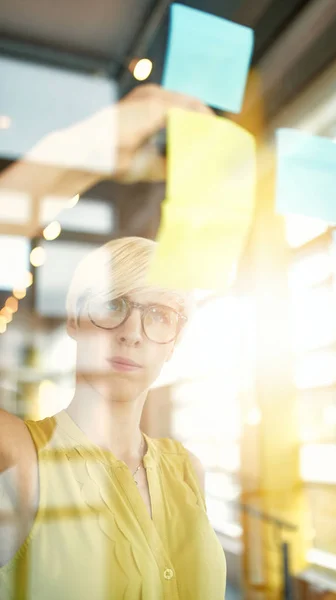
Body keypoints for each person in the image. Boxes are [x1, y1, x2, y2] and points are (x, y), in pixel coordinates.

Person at [0, 88, 227, 599]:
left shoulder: (187, 470)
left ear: (176, 340)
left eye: (160, 314)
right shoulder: (19, 455)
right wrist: (87, 145)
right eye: (111, 304)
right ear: (76, 319)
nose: (132, 331)